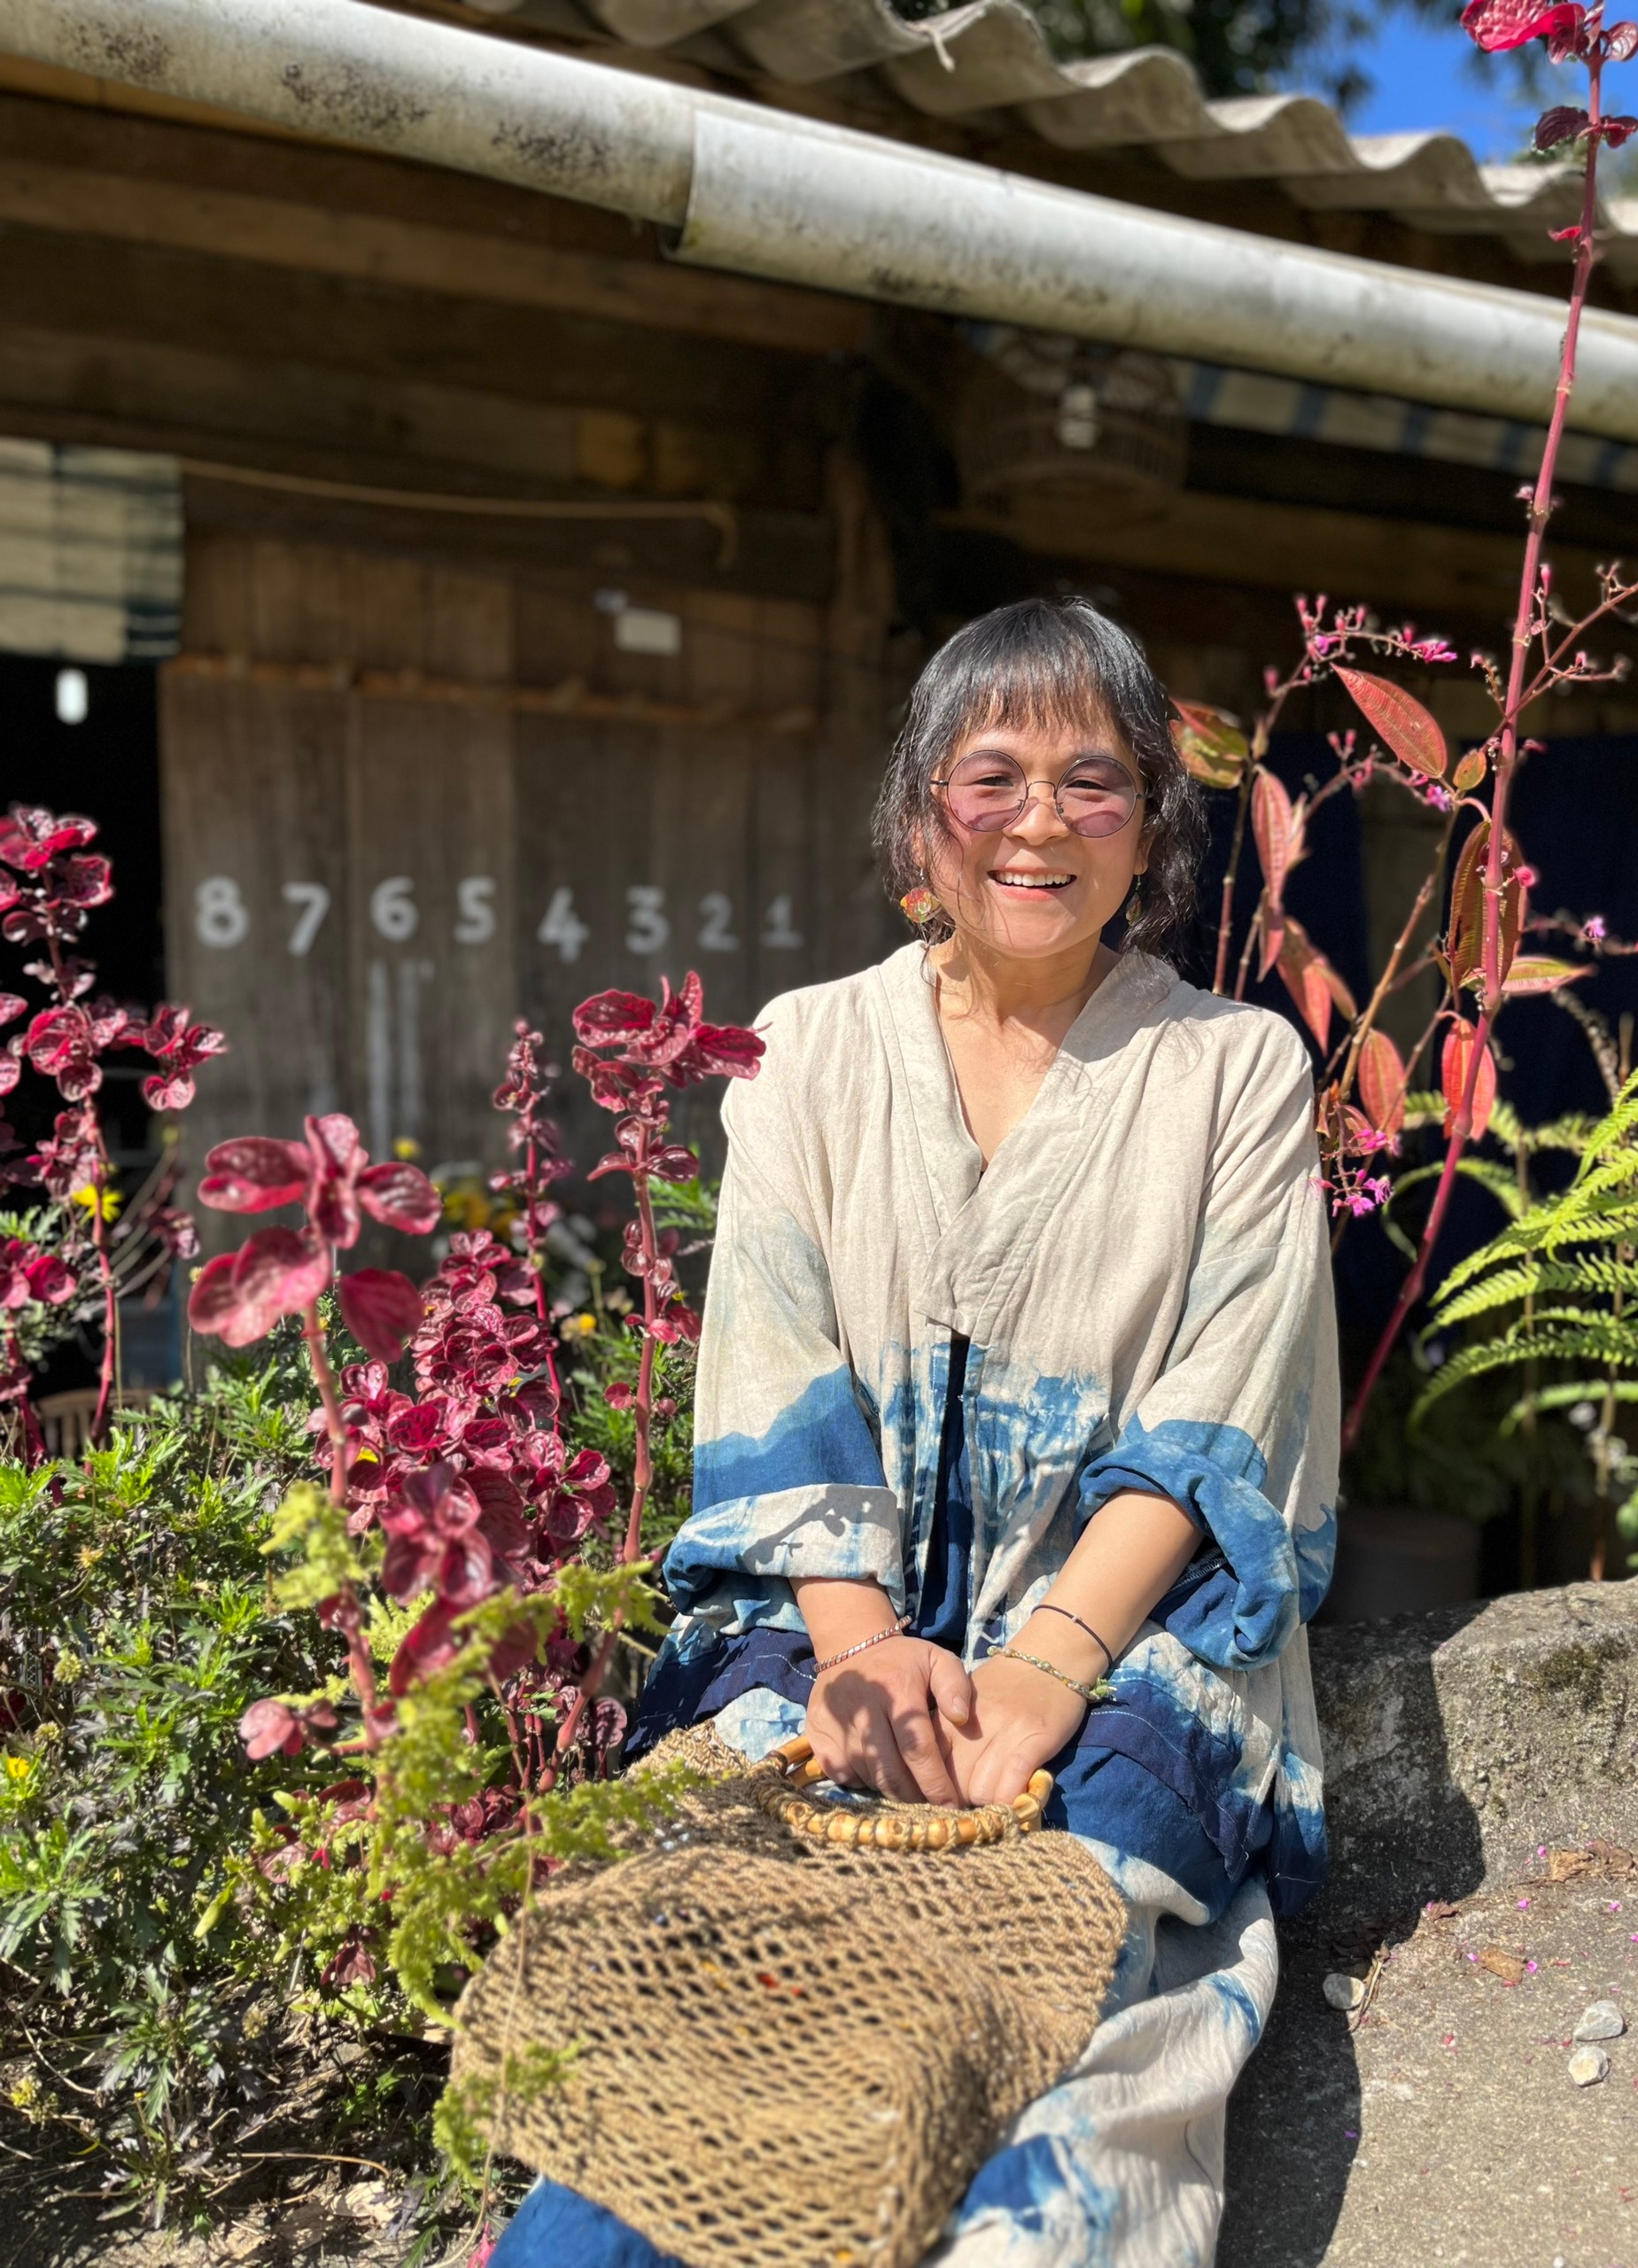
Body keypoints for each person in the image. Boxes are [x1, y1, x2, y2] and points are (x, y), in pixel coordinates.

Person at [492, 596, 1339, 2266]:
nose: (1042, 821)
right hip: (828, 1631)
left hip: (1122, 1646)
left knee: (1058, 2021)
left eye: (1096, 780)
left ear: (1153, 819)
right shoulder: (803, 1054)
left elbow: (1221, 1405)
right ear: (919, 816)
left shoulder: (1236, 1071)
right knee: (702, 1998)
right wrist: (866, 1652)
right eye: (993, 775)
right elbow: (774, 1369)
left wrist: (1046, 1668)